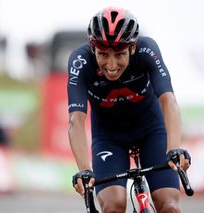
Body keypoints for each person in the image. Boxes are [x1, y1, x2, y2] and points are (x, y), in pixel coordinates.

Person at [68, 7, 191, 213]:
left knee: (169, 205)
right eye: (103, 54)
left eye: (119, 54)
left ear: (132, 48)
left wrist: (174, 148)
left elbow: (168, 100)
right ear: (92, 47)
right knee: (113, 205)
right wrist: (84, 171)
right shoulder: (80, 61)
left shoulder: (146, 50)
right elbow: (76, 120)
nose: (111, 64)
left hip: (151, 131)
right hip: (109, 138)